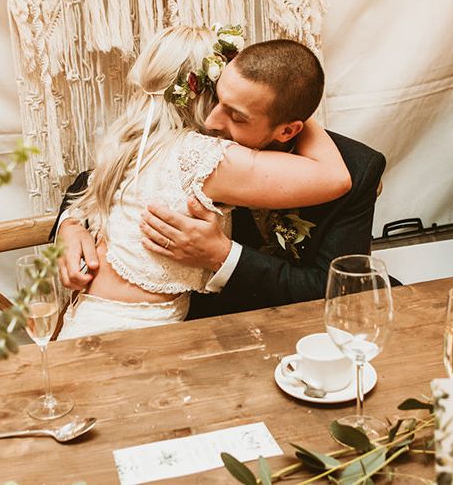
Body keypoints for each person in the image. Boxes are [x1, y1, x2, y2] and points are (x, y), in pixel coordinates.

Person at [56, 36, 387, 322]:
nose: (213, 120)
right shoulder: (202, 136)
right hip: (200, 329)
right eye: (217, 98)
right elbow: (100, 176)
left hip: (297, 332)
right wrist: (70, 227)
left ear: (288, 129)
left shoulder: (358, 169)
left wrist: (222, 255)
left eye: (237, 116)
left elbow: (334, 290)